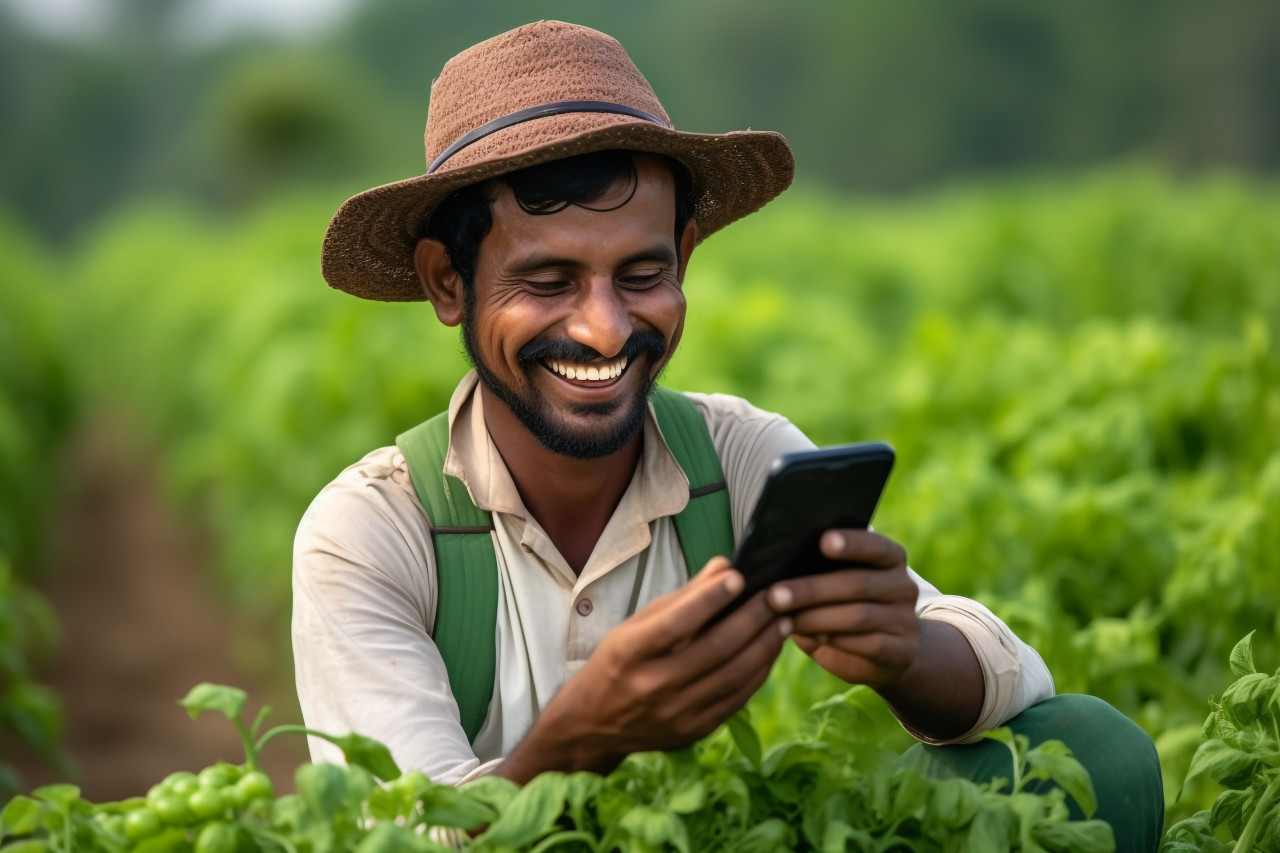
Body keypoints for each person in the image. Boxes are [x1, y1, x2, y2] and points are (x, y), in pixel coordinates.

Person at [293, 20, 1163, 848]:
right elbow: (397, 833)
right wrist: (580, 738)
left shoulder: (737, 457)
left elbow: (1013, 681)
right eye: (549, 280)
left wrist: (903, 647)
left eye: (642, 274)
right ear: (449, 283)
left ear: (686, 261)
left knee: (1091, 751)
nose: (603, 329)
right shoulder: (374, 531)